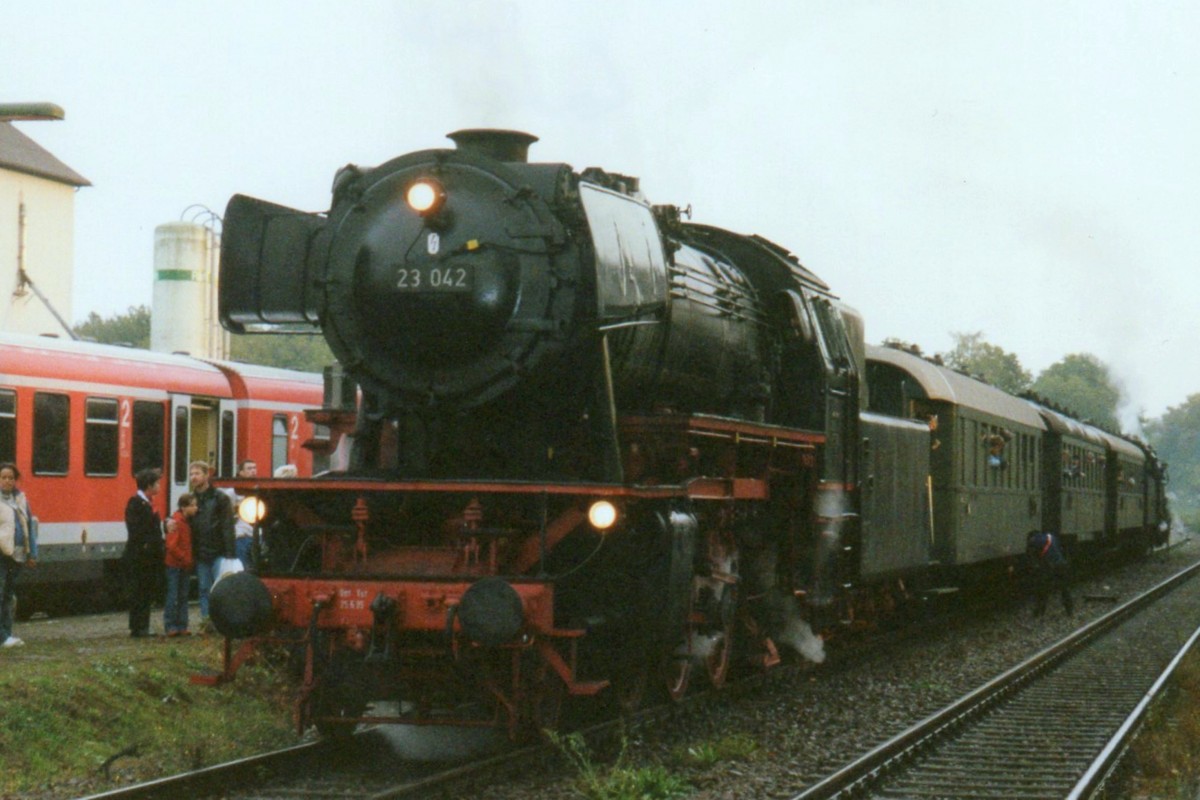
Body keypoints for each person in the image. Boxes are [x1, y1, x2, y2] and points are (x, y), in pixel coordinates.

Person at [188, 461, 235, 628]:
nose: (193, 477)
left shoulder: (220, 498)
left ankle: (220, 621)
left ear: (207, 475)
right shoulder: (190, 499)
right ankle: (207, 622)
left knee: (219, 589)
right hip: (201, 552)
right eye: (191, 474)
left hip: (218, 551)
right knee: (203, 588)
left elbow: (227, 526)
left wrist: (230, 553)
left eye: (197, 474)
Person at [124, 468, 168, 638]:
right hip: (141, 556)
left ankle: (143, 625)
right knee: (139, 591)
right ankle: (139, 626)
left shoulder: (148, 503)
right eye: (157, 483)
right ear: (149, 485)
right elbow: (136, 530)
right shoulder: (135, 503)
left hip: (148, 555)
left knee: (145, 591)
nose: (159, 486)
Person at [0, 463, 37, 648]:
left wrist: (32, 553)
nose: (7, 481)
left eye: (11, 478)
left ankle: (6, 635)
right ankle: (2, 637)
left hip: (17, 554)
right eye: (4, 477)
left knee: (8, 595)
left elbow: (28, 525)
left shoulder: (20, 499)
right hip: (1, 554)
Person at [164, 493, 197, 637]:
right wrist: (185, 558)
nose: (196, 508)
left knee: (180, 595)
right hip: (177, 564)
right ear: (184, 507)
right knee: (175, 595)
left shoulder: (182, 521)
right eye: (193, 505)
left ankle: (179, 626)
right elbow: (171, 546)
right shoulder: (177, 522)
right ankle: (173, 625)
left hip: (182, 564)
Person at [1026, 529, 1074, 616]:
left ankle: (1039, 612)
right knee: (1064, 588)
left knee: (1043, 589)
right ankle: (1069, 610)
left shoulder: (1033, 540)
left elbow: (1033, 558)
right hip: (1061, 565)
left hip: (1049, 567)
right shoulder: (1051, 536)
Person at [230, 459, 257, 569]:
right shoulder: (233, 492)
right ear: (240, 472)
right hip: (241, 535)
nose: (253, 471)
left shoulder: (259, 490)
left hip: (256, 534)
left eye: (254, 468)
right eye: (249, 468)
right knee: (244, 566)